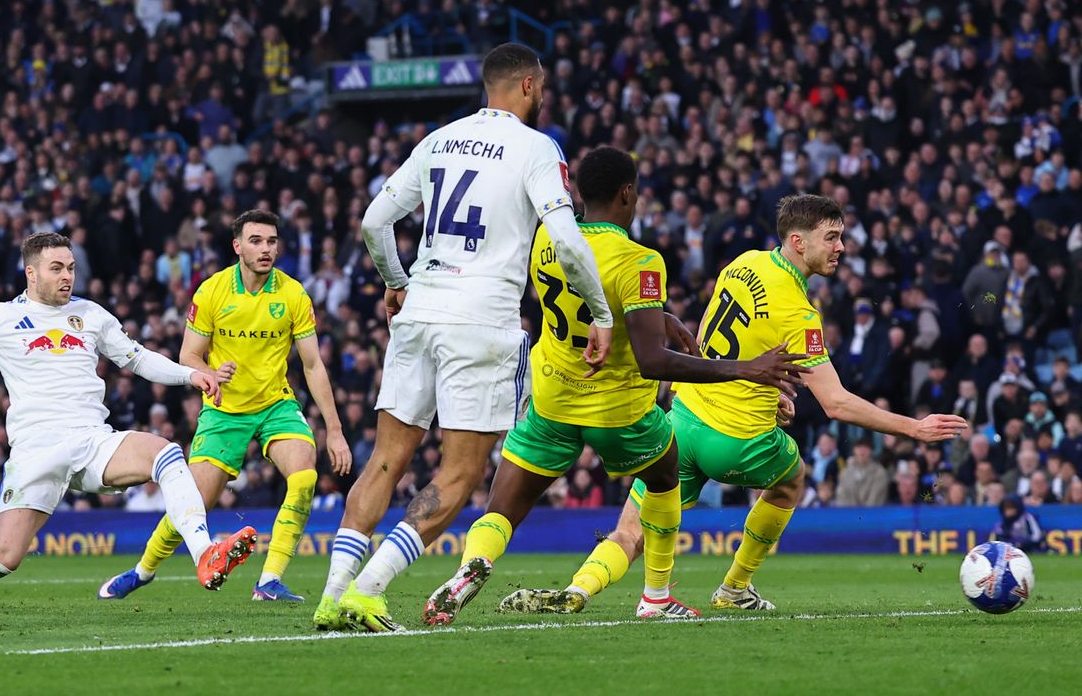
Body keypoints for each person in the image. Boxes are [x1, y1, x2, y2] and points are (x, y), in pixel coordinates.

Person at [500, 195, 966, 615]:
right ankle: (735, 587)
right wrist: (914, 428)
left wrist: (768, 392)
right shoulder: (799, 312)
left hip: (683, 420)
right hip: (736, 441)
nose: (842, 247)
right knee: (792, 479)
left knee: (631, 531)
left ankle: (579, 589)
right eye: (833, 237)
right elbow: (837, 403)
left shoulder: (743, 263)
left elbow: (706, 336)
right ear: (799, 242)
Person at [422, 147, 808, 626]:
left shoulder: (546, 238)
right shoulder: (640, 260)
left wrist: (657, 317)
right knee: (665, 477)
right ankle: (657, 597)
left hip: (551, 400)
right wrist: (743, 369)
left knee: (503, 506)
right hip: (617, 411)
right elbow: (652, 361)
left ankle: (472, 566)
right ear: (628, 193)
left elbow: (588, 295)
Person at [316, 43, 617, 633]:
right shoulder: (537, 148)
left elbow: (375, 221)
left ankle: (333, 595)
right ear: (529, 86)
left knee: (385, 461)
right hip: (481, 320)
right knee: (458, 476)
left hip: (420, 308)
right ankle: (369, 591)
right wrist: (600, 312)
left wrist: (395, 281)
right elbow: (568, 240)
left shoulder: (438, 139)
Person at [0, 233, 257, 611]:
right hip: (36, 451)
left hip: (92, 440)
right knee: (3, 559)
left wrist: (190, 376)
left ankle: (205, 553)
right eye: (56, 268)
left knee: (165, 453)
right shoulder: (0, 318)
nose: (67, 276)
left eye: (71, 267)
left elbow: (137, 358)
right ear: (31, 273)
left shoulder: (92, 315)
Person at [98, 210, 350, 603]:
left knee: (304, 477)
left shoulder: (294, 294)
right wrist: (212, 372)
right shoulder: (212, 292)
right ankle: (142, 571)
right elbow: (189, 356)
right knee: (192, 503)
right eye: (256, 241)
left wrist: (334, 431)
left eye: (271, 241)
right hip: (223, 410)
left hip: (275, 404)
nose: (265, 249)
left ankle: (268, 582)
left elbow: (314, 365)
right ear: (238, 247)